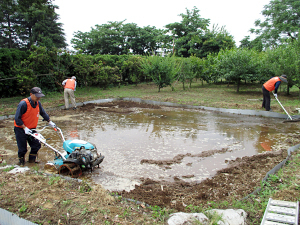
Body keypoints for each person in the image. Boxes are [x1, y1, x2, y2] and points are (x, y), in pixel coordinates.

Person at [14, 87, 56, 165]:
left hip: (31, 129)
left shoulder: (37, 103)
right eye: (37, 96)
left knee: (36, 145)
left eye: (39, 96)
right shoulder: (23, 104)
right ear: (31, 94)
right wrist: (24, 128)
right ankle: (21, 163)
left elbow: (42, 113)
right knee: (23, 149)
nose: (38, 97)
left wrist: (50, 121)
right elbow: (17, 118)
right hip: (20, 129)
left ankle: (31, 161)